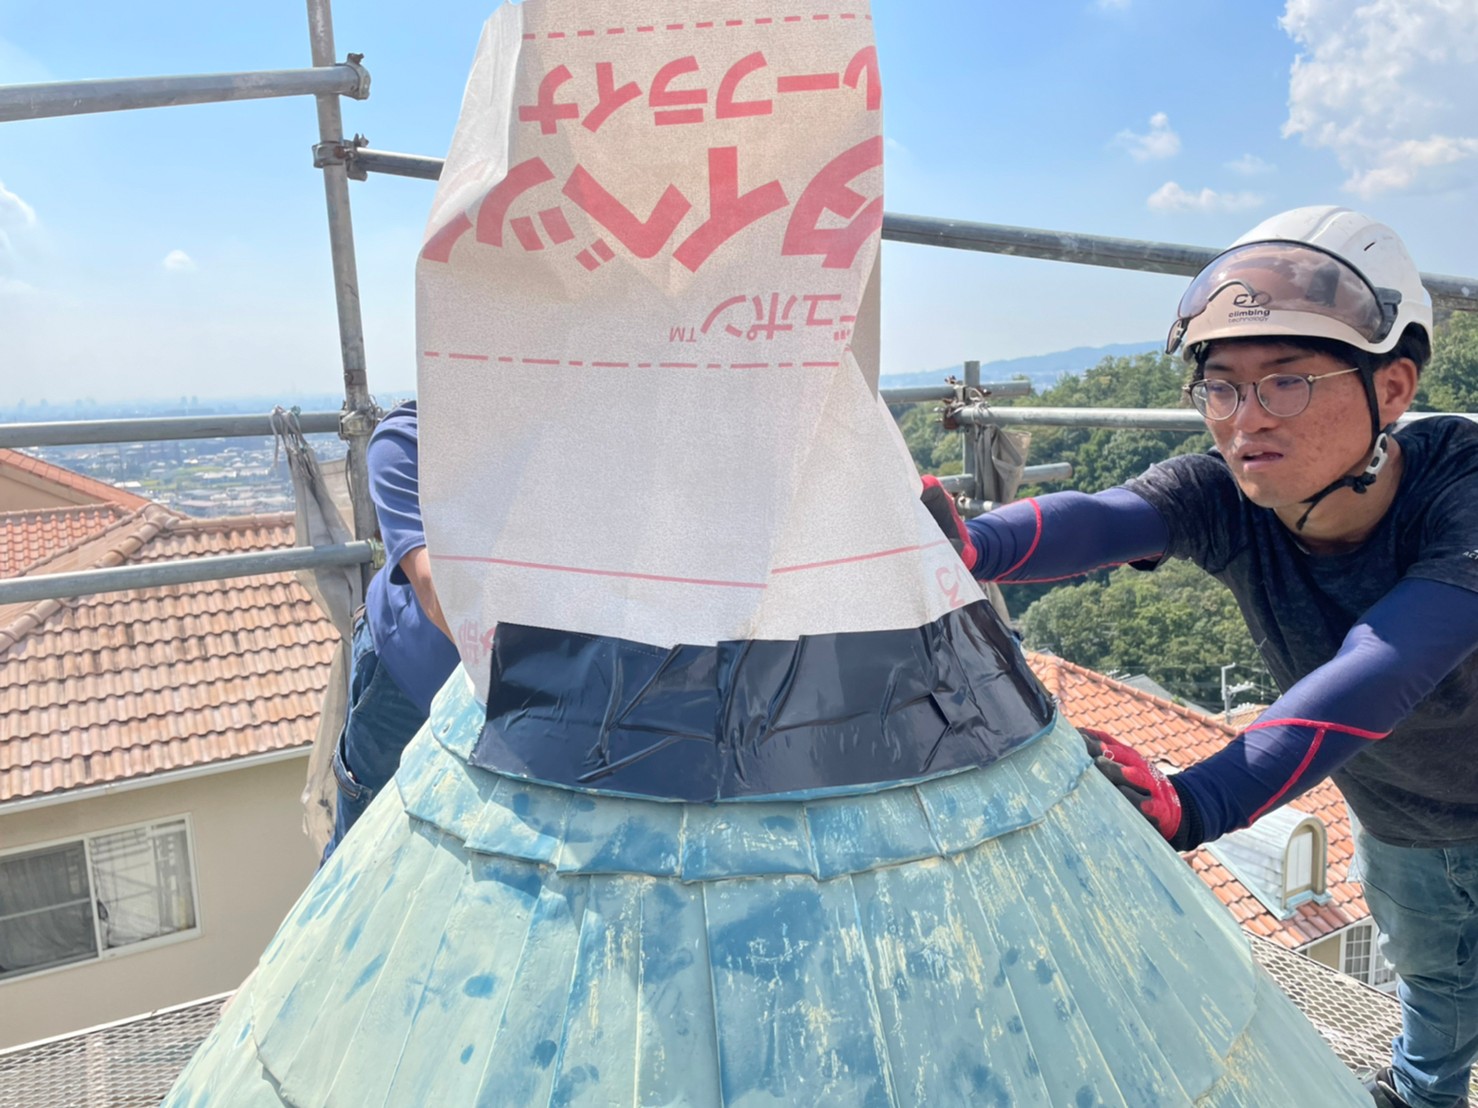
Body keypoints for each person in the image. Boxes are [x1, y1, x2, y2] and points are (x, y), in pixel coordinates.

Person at [925, 205, 1478, 1108]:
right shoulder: (1231, 496)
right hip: (1405, 825)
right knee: (1437, 995)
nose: (1245, 418)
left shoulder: (1465, 485)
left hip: (1413, 798)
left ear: (1395, 387)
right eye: (1221, 387)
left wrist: (1200, 800)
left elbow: (1390, 661)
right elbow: (1105, 518)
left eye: (1288, 381)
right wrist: (964, 544)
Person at [321, 400, 460, 861]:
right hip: (403, 676)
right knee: (359, 854)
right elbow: (444, 599)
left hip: (510, 694)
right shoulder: (407, 439)